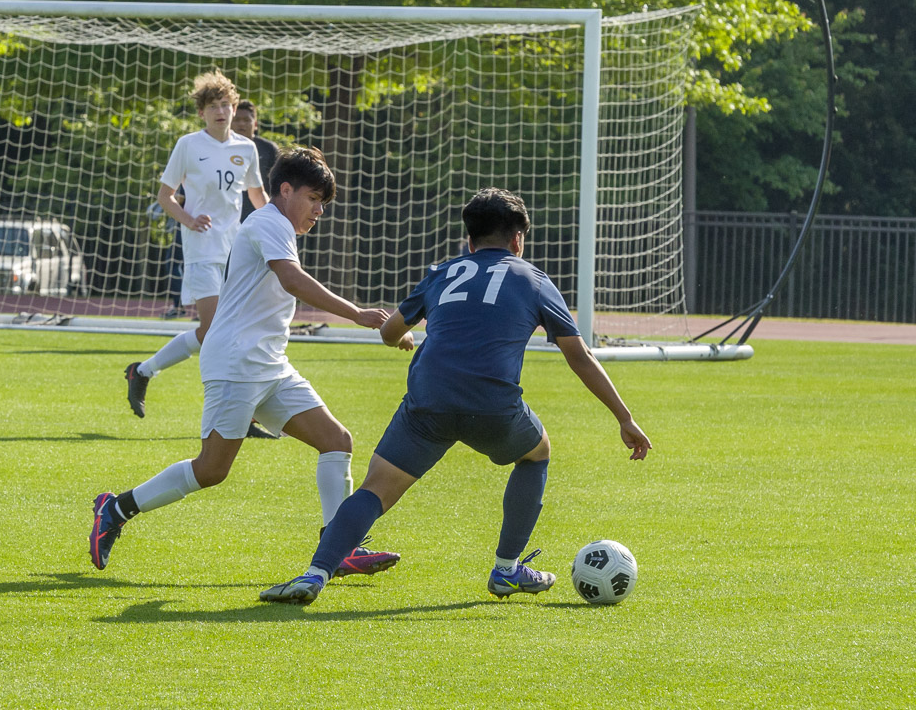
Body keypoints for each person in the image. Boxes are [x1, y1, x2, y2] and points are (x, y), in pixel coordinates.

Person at [259, 187, 652, 605]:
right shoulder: (533, 279)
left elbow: (391, 331)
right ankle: (506, 569)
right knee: (536, 454)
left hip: (428, 402)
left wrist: (403, 335)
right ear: (518, 240)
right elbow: (580, 356)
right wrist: (624, 418)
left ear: (469, 239)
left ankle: (315, 574)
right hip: (493, 406)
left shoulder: (442, 271)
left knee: (375, 490)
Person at [91, 146, 401, 578]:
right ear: (286, 189)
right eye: (313, 199)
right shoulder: (267, 222)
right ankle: (116, 508)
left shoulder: (279, 227)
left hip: (269, 364)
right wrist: (358, 314)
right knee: (211, 470)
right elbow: (292, 280)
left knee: (336, 441)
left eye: (323, 203)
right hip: (235, 362)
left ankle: (340, 545)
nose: (319, 211)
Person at [126, 71, 268, 419]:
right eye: (212, 106)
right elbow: (165, 196)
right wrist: (189, 220)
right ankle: (239, 415)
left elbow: (257, 194)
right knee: (219, 331)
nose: (220, 111)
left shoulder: (245, 148)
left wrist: (281, 226)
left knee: (220, 331)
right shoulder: (188, 145)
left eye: (225, 105)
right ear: (202, 113)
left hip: (236, 249)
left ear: (234, 109)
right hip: (202, 249)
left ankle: (142, 371)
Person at [231, 100, 279, 223]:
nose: (241, 124)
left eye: (246, 120)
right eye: (237, 120)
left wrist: (274, 216)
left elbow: (280, 184)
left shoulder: (269, 149)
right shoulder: (222, 148)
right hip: (228, 218)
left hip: (259, 217)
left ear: (255, 124)